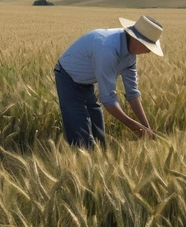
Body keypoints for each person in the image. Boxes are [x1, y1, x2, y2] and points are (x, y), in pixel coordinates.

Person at [54, 15, 164, 148]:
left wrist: (146, 128)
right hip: (68, 77)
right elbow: (108, 100)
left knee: (97, 127)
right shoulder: (107, 49)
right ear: (137, 40)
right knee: (80, 132)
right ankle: (81, 158)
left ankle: (96, 157)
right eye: (148, 47)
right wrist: (136, 128)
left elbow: (132, 93)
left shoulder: (130, 53)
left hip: (86, 82)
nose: (149, 52)